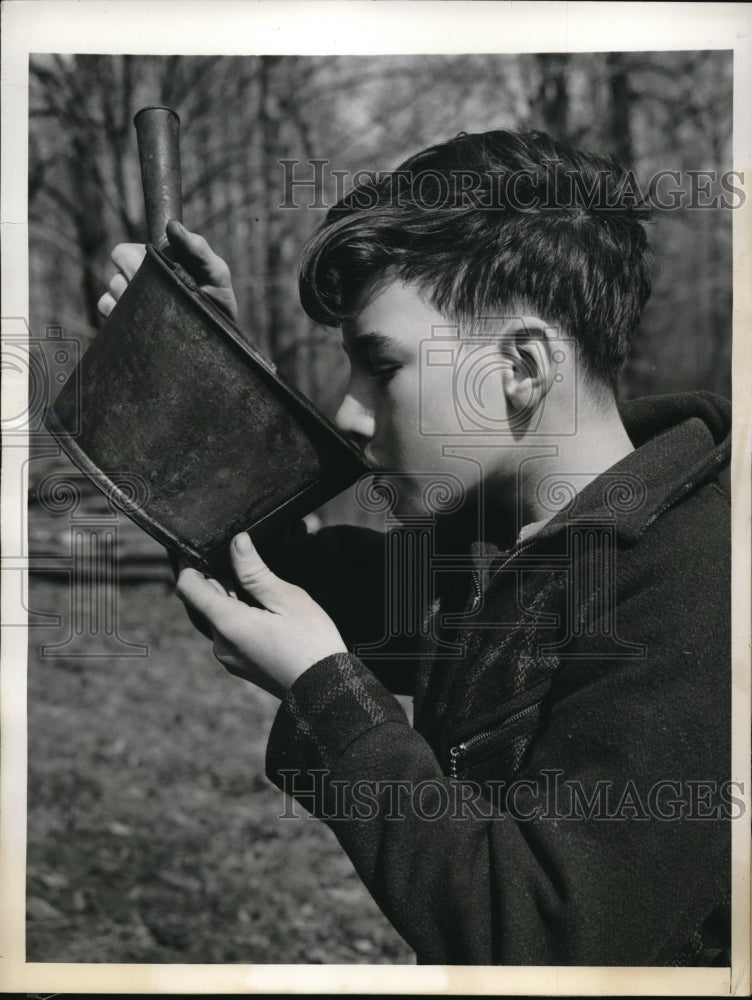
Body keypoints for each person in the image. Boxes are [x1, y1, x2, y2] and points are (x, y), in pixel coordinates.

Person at [98, 129, 731, 966]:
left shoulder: (695, 587)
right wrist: (211, 378)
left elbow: (544, 941)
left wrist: (328, 695)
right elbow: (283, 581)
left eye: (381, 365)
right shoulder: (497, 546)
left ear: (523, 366)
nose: (352, 413)